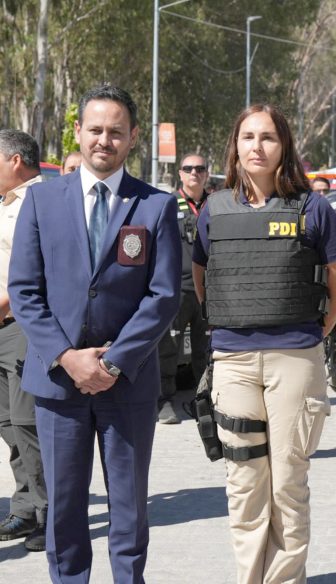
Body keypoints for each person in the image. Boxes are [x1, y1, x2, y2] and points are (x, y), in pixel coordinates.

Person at [8, 84, 181, 582]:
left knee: (128, 511)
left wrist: (111, 362)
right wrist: (67, 357)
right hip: (57, 387)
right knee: (64, 512)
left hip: (126, 385)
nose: (104, 140)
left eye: (117, 132)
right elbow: (25, 291)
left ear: (132, 140)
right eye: (96, 129)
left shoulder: (155, 206)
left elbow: (163, 295)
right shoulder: (41, 201)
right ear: (79, 132)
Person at [191, 102, 336, 584]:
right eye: (247, 137)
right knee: (244, 484)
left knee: (287, 484)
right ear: (234, 148)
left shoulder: (313, 208)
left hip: (295, 359)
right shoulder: (214, 210)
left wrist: (315, 334)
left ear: (284, 148)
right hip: (233, 362)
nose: (256, 146)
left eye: (268, 138)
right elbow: (204, 279)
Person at [0, 129, 47, 552]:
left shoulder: (41, 202)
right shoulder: (5, 204)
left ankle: (50, 516)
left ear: (15, 160)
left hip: (21, 326)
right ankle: (27, 506)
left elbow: (40, 271)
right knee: (6, 424)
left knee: (27, 423)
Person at [156, 152, 210, 424]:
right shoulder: (168, 203)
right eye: (188, 168)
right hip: (177, 289)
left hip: (208, 290)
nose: (194, 173)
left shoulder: (214, 203)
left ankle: (205, 402)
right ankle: (163, 401)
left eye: (200, 169)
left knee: (205, 350)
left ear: (206, 174)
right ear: (180, 173)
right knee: (168, 347)